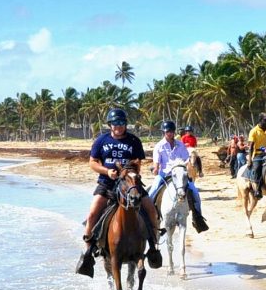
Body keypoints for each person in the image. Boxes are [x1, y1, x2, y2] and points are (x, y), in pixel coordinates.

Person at [76, 108, 161, 277]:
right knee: (93, 214)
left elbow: (138, 164)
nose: (119, 127)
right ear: (110, 125)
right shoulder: (101, 141)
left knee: (150, 208)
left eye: (122, 123)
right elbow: (92, 163)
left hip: (129, 183)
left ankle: (153, 245)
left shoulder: (134, 141)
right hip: (107, 184)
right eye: (115, 124)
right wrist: (107, 172)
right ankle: (88, 253)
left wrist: (131, 174)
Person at [149, 120, 209, 233]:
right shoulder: (159, 146)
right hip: (165, 174)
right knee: (151, 193)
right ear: (164, 132)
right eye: (167, 132)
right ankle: (148, 219)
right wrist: (155, 169)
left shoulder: (180, 145)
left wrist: (189, 170)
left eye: (171, 131)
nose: (170, 134)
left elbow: (186, 160)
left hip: (180, 174)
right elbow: (156, 163)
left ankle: (198, 219)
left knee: (195, 193)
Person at [246, 113, 266, 199]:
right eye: (265, 120)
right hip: (258, 154)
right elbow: (251, 147)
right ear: (260, 120)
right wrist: (249, 160)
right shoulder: (254, 131)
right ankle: (257, 189)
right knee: (258, 168)